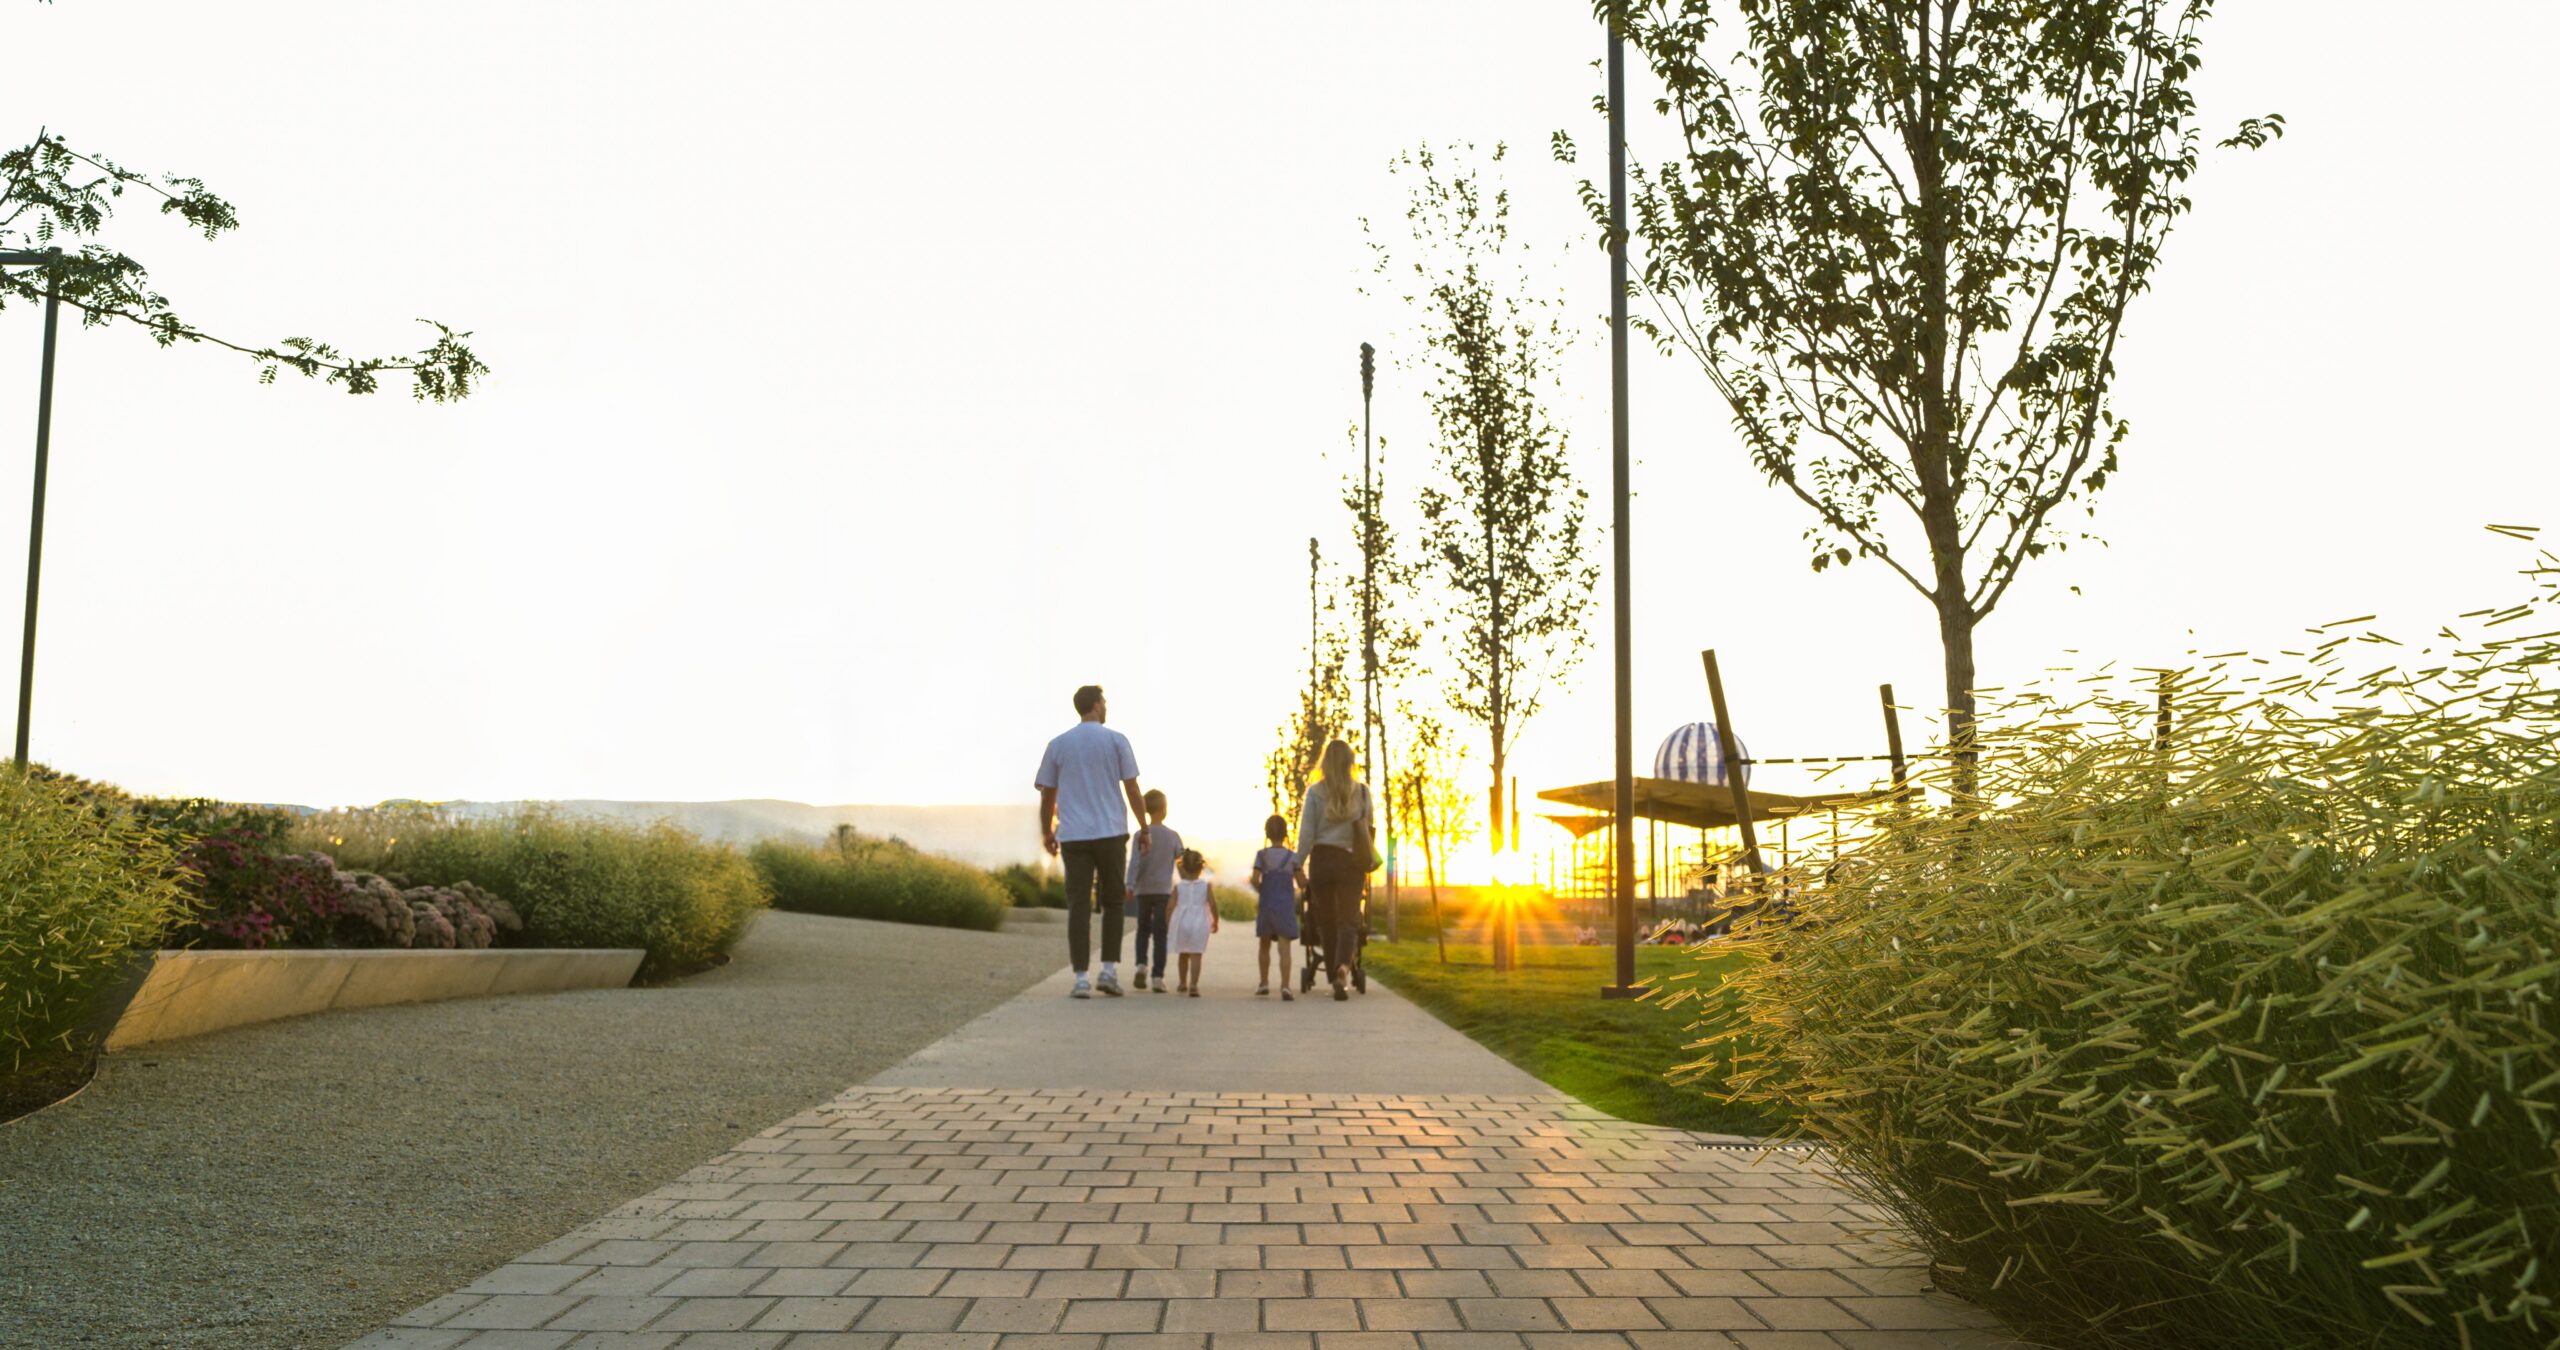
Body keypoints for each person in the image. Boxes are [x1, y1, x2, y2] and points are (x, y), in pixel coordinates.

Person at [1033, 683, 1148, 999]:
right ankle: (1108, 971)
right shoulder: (1116, 740)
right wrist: (1145, 827)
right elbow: (1133, 789)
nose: (1106, 706)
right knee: (1112, 903)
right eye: (1105, 701)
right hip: (1110, 832)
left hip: (1074, 836)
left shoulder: (1059, 744)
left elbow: (1048, 794)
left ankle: (1081, 978)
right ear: (1096, 705)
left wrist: (1047, 831)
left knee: (1078, 905)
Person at [1295, 738, 1373, 1002]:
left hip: (1322, 861)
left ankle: (1332, 974)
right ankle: (1343, 967)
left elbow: (1307, 834)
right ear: (1351, 763)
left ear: (1325, 763)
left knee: (1326, 920)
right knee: (1348, 920)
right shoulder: (1361, 792)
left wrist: (1297, 863)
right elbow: (1368, 828)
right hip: (1351, 862)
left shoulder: (1315, 792)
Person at [1123, 790, 1181, 993]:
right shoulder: (1172, 836)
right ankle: (1157, 976)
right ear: (1164, 810)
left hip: (1143, 890)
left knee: (1143, 929)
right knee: (1160, 933)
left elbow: (1134, 864)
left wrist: (1130, 885)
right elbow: (1181, 861)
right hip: (1163, 891)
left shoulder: (1140, 835)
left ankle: (1141, 965)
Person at [1247, 813, 1301, 1001]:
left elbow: (1254, 879)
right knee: (1284, 947)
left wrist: (1261, 889)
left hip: (1267, 905)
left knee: (1264, 945)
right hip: (1285, 906)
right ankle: (1285, 986)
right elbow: (1301, 882)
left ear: (1267, 833)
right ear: (1285, 833)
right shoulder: (1292, 857)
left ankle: (1264, 983)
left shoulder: (1261, 856)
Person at [1166, 849, 1217, 997]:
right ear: (1201, 867)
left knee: (1183, 954)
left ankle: (1182, 982)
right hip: (1200, 922)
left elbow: (1170, 906)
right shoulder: (1206, 886)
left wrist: (1169, 923)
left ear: (1182, 867)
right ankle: (1193, 985)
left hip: (1182, 922)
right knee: (1196, 955)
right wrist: (1215, 921)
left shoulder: (1178, 886)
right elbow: (1212, 905)